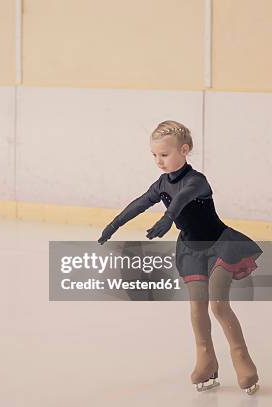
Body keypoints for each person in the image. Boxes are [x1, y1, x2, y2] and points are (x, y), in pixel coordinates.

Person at [98, 120, 262, 395]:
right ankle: (206, 361)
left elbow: (182, 198)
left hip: (220, 245)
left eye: (164, 154)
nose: (159, 161)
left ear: (184, 150)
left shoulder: (197, 181)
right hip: (191, 250)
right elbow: (140, 203)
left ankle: (242, 359)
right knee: (197, 309)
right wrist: (114, 225)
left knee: (218, 306)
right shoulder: (161, 183)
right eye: (154, 155)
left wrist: (167, 218)